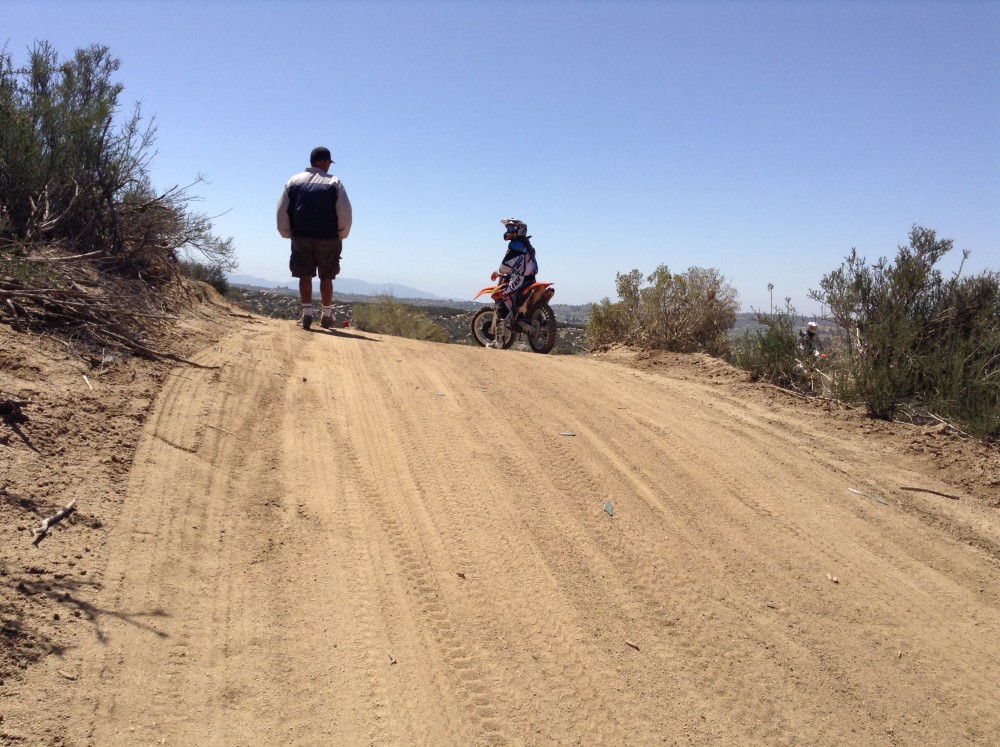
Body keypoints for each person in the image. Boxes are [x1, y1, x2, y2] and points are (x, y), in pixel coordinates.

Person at [276, 146, 353, 330]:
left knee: (304, 275)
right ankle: (326, 316)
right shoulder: (334, 182)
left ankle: (307, 313)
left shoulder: (293, 181)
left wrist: (286, 232)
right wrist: (341, 234)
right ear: (325, 161)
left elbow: (282, 209)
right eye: (329, 163)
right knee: (326, 277)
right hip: (328, 238)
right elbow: (344, 212)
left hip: (301, 236)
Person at [492, 218, 538, 335]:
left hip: (520, 278)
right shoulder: (527, 244)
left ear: (520, 230)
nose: (508, 231)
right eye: (508, 228)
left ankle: (499, 340)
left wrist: (498, 272)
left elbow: (505, 266)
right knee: (516, 301)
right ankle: (519, 319)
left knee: (504, 299)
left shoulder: (515, 245)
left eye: (511, 228)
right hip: (531, 278)